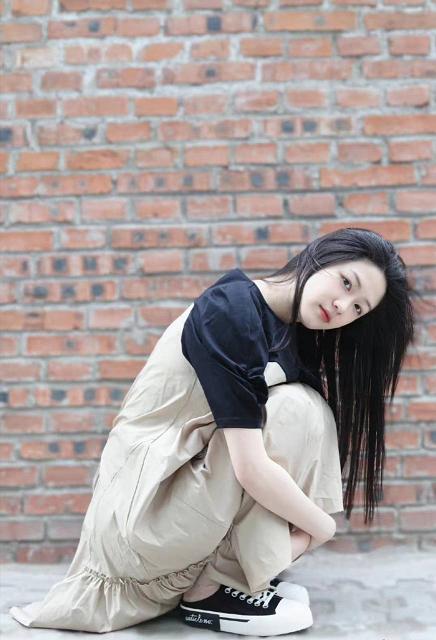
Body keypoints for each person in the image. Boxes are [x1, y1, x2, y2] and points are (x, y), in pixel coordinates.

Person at [9, 227, 416, 636]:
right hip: (144, 515)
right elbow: (251, 467)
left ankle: (230, 576)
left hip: (178, 507)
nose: (343, 306)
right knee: (294, 409)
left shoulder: (288, 333)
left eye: (358, 308)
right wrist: (322, 528)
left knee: (308, 408)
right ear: (321, 256)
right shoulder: (233, 311)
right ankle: (211, 590)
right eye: (346, 283)